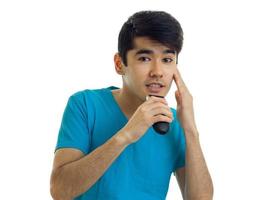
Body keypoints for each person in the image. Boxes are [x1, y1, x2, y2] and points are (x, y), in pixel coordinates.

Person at [50, 10, 213, 200]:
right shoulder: (85, 104)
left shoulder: (174, 122)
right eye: (144, 58)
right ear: (120, 64)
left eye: (167, 60)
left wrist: (191, 130)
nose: (158, 72)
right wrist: (126, 135)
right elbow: (60, 190)